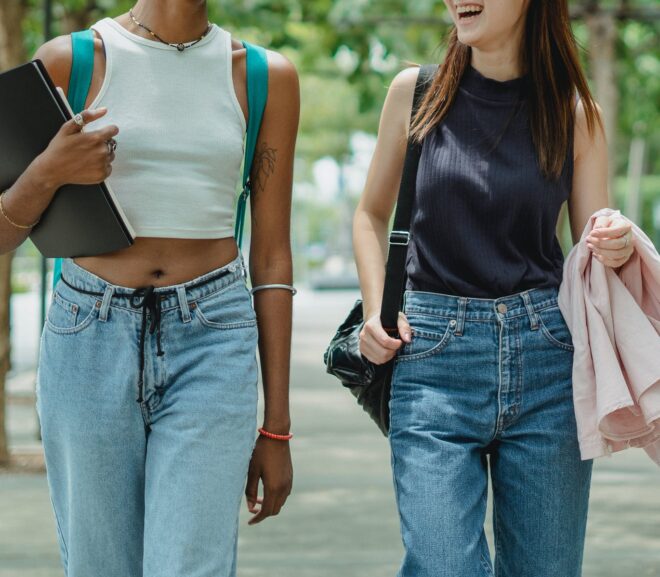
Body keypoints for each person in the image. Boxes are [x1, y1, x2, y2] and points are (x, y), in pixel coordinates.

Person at [0, 2, 299, 576]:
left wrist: (277, 425)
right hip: (90, 333)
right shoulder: (69, 61)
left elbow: (271, 255)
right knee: (100, 566)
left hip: (213, 336)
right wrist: (49, 171)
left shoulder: (263, 76)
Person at [353, 1, 636, 576]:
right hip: (431, 359)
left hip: (546, 363)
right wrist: (377, 310)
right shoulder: (416, 92)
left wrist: (618, 244)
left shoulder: (576, 113)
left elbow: (590, 246)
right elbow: (369, 214)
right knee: (440, 566)